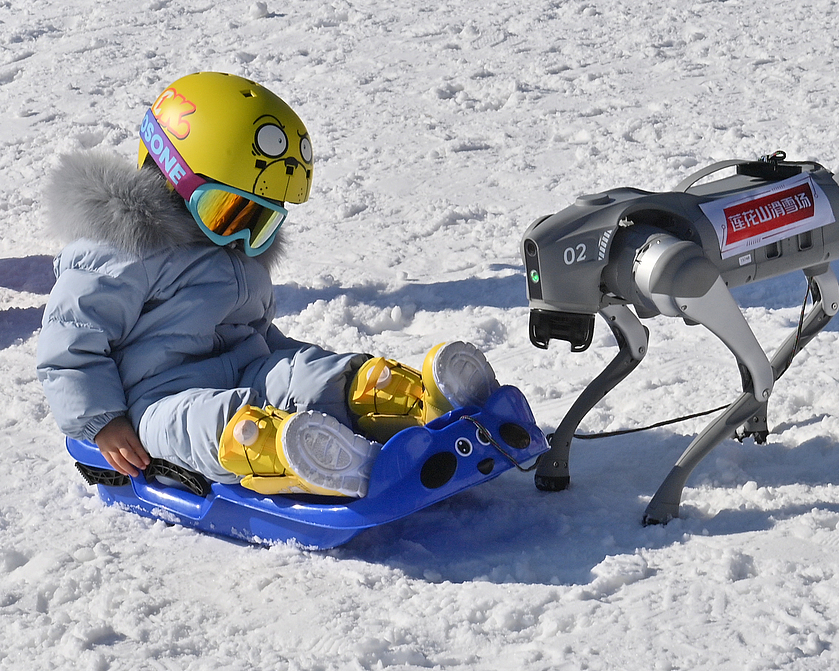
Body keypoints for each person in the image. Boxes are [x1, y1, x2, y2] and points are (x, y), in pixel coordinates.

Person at [36, 72, 499, 499]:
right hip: (156, 399)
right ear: (172, 175)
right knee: (194, 424)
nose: (240, 237)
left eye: (257, 222)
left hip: (246, 370)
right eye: (229, 212)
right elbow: (68, 347)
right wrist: (102, 421)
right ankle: (277, 448)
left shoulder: (235, 255)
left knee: (304, 371)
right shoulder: (117, 251)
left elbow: (256, 332)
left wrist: (311, 368)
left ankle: (403, 396)